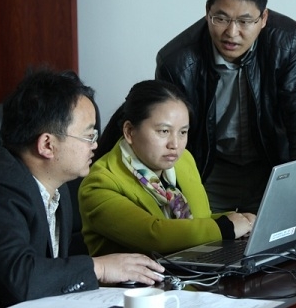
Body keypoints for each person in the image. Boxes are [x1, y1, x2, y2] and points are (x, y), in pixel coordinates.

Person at [0, 69, 165, 308]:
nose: (95, 145)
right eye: (89, 136)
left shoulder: (55, 186)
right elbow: (22, 281)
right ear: (47, 145)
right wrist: (100, 267)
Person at [155, 0, 296, 223]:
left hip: (270, 165)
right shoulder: (177, 62)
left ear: (263, 18)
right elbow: (171, 136)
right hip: (209, 170)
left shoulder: (285, 42)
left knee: (283, 238)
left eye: (245, 21)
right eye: (221, 18)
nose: (232, 32)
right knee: (207, 241)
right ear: (207, 12)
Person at [79, 80, 256, 256]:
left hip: (191, 267)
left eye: (183, 132)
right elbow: (155, 235)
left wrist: (242, 220)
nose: (175, 145)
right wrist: (226, 227)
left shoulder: (184, 160)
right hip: (143, 274)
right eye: (164, 131)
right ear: (130, 131)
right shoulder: (99, 183)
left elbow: (200, 221)